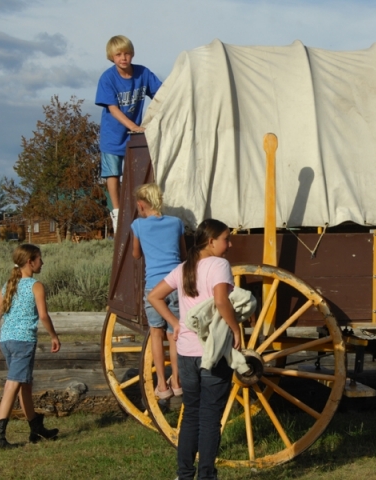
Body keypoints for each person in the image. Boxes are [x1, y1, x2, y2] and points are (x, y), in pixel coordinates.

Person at [148, 219, 241, 480]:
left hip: (186, 352)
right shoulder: (219, 265)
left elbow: (153, 296)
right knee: (210, 417)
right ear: (211, 241)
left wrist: (176, 323)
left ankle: (184, 474)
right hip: (212, 351)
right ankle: (206, 476)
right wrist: (235, 329)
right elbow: (221, 301)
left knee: (191, 414)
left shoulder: (184, 268)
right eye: (226, 239)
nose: (229, 245)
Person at [0, 244, 61, 449]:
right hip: (23, 342)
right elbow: (43, 316)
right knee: (13, 385)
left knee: (24, 385)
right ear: (30, 262)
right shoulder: (36, 286)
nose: (42, 262)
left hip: (6, 341)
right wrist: (54, 336)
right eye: (39, 258)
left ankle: (36, 429)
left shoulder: (8, 285)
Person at [95, 35, 162, 232]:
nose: (123, 58)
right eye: (118, 55)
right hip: (113, 135)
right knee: (113, 173)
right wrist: (133, 126)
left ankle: (144, 209)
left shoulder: (143, 73)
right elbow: (113, 109)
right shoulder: (107, 78)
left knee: (141, 171)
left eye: (126, 53)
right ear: (111, 57)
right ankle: (117, 212)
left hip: (136, 136)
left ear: (132, 54)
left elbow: (161, 95)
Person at [131, 183, 186, 400]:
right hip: (175, 284)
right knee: (174, 335)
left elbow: (136, 254)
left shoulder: (138, 225)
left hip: (154, 286)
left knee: (156, 333)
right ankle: (177, 381)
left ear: (140, 205)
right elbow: (183, 254)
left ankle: (162, 385)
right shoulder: (176, 223)